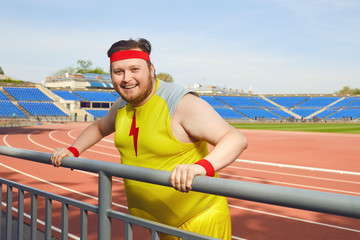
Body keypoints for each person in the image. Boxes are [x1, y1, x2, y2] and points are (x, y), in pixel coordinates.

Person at [50, 38, 248, 240]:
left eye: (135, 69)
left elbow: (235, 138)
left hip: (199, 223)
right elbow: (99, 127)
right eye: (119, 72)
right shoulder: (121, 106)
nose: (127, 78)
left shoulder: (179, 102)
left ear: (151, 69)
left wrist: (200, 167)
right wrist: (72, 151)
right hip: (159, 228)